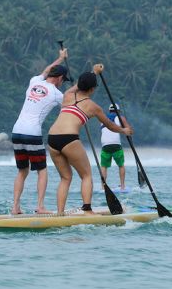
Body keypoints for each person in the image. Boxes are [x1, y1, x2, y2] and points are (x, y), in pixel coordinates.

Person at [47, 66, 133, 214]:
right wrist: (124, 130)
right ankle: (87, 210)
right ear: (92, 89)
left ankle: (59, 213)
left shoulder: (67, 95)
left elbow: (80, 85)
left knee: (65, 178)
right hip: (69, 139)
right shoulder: (93, 107)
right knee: (86, 175)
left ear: (79, 85)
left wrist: (93, 72)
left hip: (52, 138)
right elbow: (110, 125)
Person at [11, 48, 69, 214]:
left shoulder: (34, 81)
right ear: (59, 78)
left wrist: (59, 58)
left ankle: (15, 207)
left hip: (16, 131)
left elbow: (45, 70)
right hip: (32, 132)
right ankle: (40, 206)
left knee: (22, 170)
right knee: (42, 170)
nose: (62, 84)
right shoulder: (57, 94)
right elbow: (70, 102)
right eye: (62, 81)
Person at [99, 104, 129, 191]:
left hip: (105, 144)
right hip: (116, 144)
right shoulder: (120, 118)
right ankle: (122, 186)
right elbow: (129, 130)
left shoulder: (103, 119)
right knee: (121, 165)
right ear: (118, 111)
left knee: (104, 166)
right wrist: (129, 131)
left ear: (109, 111)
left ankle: (103, 187)